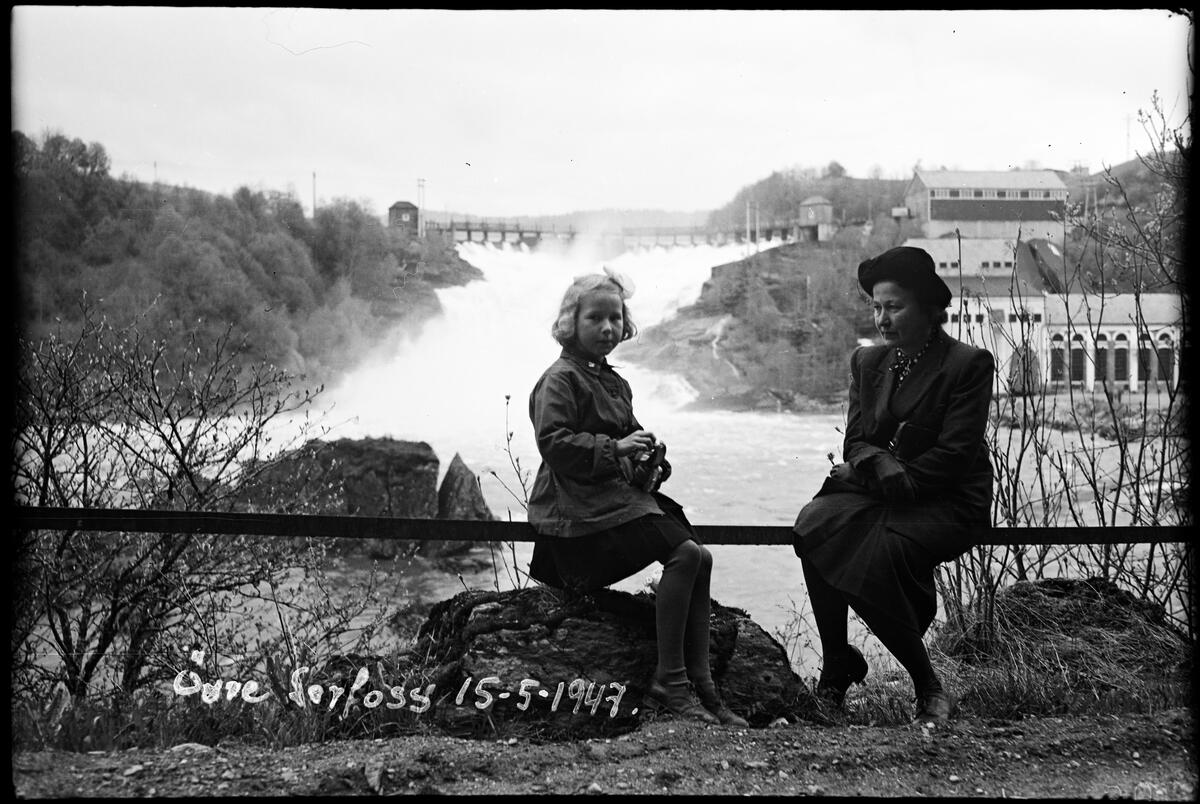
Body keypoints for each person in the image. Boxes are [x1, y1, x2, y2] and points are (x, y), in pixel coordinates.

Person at [526, 269, 746, 727]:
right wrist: (615, 450)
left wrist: (650, 458)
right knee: (686, 554)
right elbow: (554, 444)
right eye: (595, 319)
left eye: (615, 318)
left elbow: (628, 437)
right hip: (576, 515)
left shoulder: (613, 382)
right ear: (571, 322)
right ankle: (671, 681)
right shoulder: (560, 380)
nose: (608, 328)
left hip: (610, 501)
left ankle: (701, 682)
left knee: (699, 558)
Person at [792, 245, 995, 724]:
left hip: (947, 498)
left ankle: (928, 686)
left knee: (875, 552)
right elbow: (857, 443)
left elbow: (955, 454)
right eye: (876, 307)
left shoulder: (967, 364)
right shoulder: (868, 363)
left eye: (895, 306)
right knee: (814, 525)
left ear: (928, 308)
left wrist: (886, 476)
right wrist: (880, 467)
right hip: (884, 490)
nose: (882, 318)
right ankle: (837, 662)